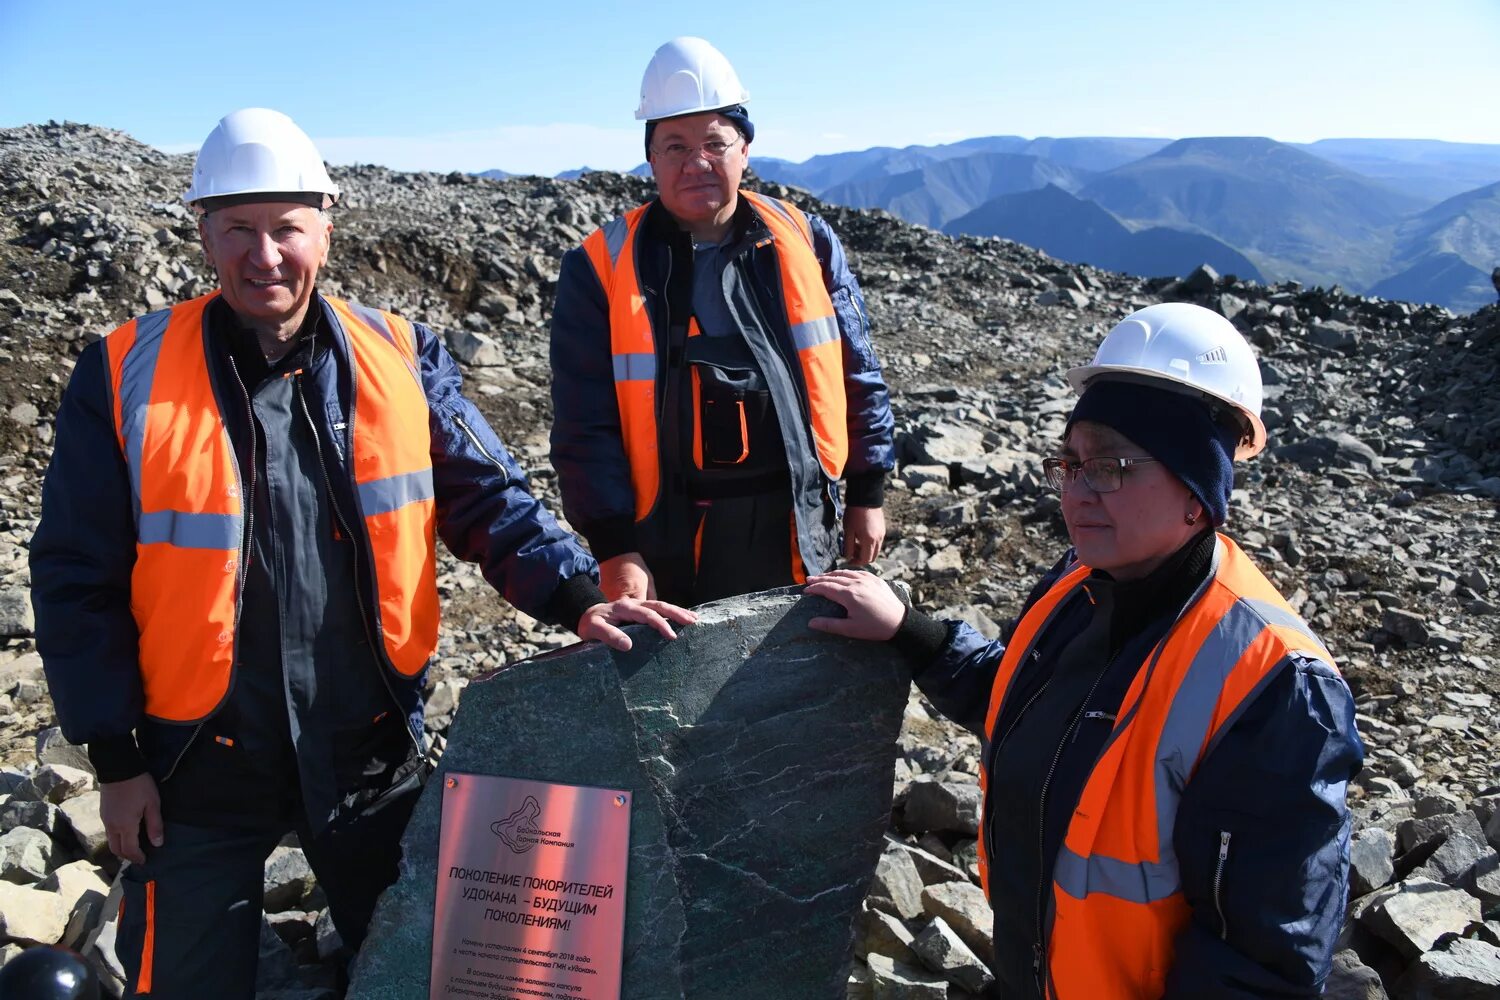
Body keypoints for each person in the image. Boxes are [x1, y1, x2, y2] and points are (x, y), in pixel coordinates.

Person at [29, 108, 694, 999]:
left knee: (419, 971)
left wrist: (578, 594)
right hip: (193, 759)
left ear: (326, 231)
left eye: (287, 229)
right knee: (181, 980)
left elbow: (489, 500)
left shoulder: (400, 355)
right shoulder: (121, 371)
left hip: (368, 747)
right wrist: (115, 761)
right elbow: (76, 575)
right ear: (203, 235)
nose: (264, 255)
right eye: (238, 229)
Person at [807, 303, 1363, 998]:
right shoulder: (1080, 586)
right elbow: (1024, 704)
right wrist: (909, 631)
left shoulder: (1273, 684)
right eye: (1071, 463)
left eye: (1113, 466)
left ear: (1199, 494)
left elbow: (1260, 963)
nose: (1078, 491)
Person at [549, 37, 895, 606]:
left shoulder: (805, 240)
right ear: (651, 157)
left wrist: (867, 492)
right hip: (667, 537)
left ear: (746, 149)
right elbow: (584, 420)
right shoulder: (599, 265)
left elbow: (857, 370)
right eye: (675, 146)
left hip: (800, 522)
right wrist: (614, 548)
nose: (697, 163)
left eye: (716, 142)